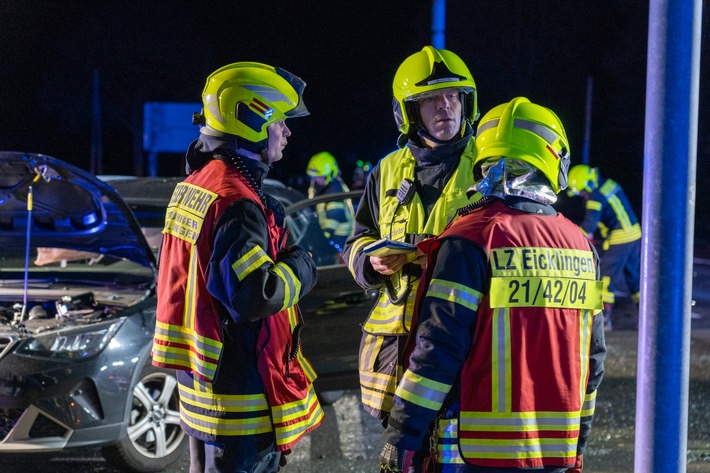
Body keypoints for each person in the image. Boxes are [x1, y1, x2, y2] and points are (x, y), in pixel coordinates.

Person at [379, 97, 607, 472]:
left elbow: (436, 351)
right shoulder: (582, 246)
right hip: (555, 455)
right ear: (553, 159)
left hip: (473, 452)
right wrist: (578, 444)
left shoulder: (471, 239)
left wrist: (401, 439)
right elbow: (591, 361)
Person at [151, 62, 323, 473]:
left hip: (202, 389)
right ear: (254, 119)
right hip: (239, 396)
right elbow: (253, 295)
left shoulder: (197, 185)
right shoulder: (236, 201)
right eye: (281, 121)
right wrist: (302, 266)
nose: (287, 131)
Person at [343, 45, 481, 425]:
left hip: (467, 340)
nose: (445, 107)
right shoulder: (386, 171)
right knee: (404, 452)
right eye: (432, 100)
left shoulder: (489, 167)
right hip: (402, 351)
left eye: (453, 96)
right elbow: (356, 240)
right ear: (409, 112)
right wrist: (370, 262)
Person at [566, 164, 641, 331]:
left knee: (606, 275)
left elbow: (589, 227)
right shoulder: (607, 184)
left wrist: (571, 238)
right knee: (635, 277)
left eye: (582, 192)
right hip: (634, 233)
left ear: (587, 185)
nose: (583, 196)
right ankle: (646, 317)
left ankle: (604, 319)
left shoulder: (595, 197)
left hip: (621, 236)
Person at [306, 151, 355, 252]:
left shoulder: (334, 188)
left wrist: (324, 237)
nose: (316, 180)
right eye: (314, 177)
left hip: (340, 237)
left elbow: (335, 216)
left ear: (331, 174)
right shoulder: (320, 186)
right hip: (330, 235)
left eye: (319, 177)